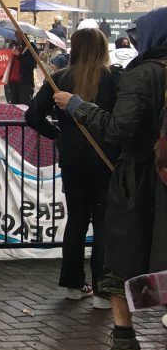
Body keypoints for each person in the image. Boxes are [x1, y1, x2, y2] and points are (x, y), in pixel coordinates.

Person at [54, 7, 167, 350]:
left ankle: (123, 346)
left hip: (138, 183)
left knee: (120, 262)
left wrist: (77, 106)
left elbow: (118, 128)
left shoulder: (145, 74)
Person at [27, 29, 118, 307]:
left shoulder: (60, 79)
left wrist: (56, 133)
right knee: (103, 223)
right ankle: (103, 293)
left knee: (77, 220)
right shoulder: (114, 78)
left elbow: (32, 116)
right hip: (105, 160)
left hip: (72, 161)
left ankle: (73, 285)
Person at [3, 40, 37, 104]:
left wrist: (19, 55)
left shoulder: (31, 48)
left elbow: (32, 65)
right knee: (14, 106)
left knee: (24, 106)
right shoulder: (16, 47)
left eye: (17, 34)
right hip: (12, 83)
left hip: (24, 84)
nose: (15, 36)